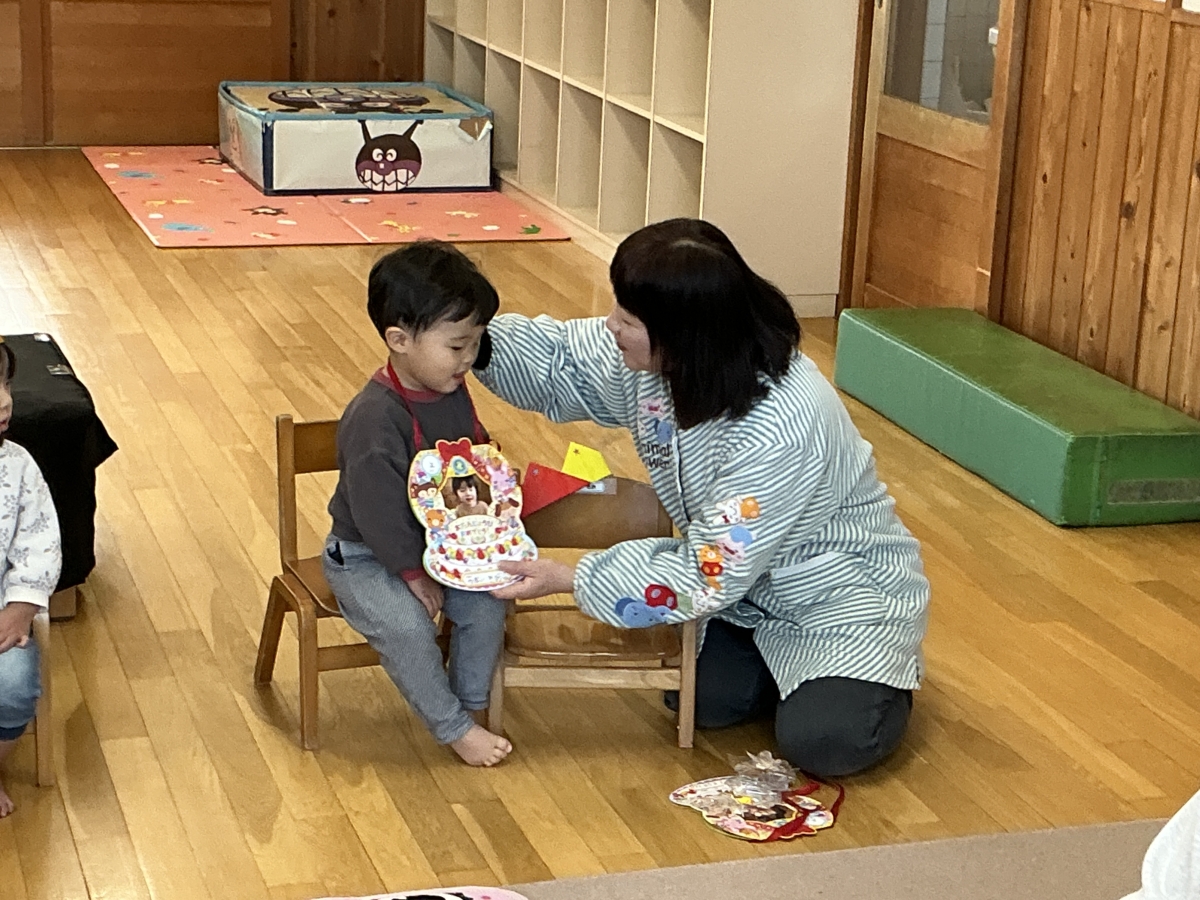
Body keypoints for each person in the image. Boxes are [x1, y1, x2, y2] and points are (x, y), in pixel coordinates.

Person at [480, 218, 929, 778]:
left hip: (838, 599)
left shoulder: (781, 427)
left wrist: (573, 577)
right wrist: (471, 340)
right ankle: (783, 671)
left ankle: (873, 677)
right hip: (744, 592)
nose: (611, 325)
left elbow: (710, 570)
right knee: (699, 702)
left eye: (628, 318)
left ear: (683, 334)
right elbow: (564, 358)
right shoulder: (671, 358)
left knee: (825, 743)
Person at [323, 241, 511, 767]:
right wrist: (412, 573)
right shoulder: (373, 418)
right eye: (457, 346)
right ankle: (453, 727)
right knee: (407, 629)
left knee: (487, 606)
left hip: (442, 544)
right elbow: (375, 515)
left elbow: (469, 456)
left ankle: (469, 705)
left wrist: (496, 481)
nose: (469, 359)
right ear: (399, 340)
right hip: (365, 555)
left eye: (476, 342)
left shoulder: (451, 389)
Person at [0, 338, 63, 815]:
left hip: (3, 612)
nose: (4, 402)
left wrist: (20, 608)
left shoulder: (18, 466)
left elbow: (41, 543)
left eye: (4, 384)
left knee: (14, 688)